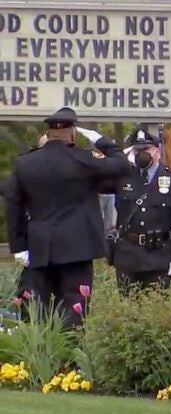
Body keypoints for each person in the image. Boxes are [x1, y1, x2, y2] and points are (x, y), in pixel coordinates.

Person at [5, 107, 131, 328]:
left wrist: (18, 246)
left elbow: (13, 203)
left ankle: (40, 359)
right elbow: (122, 166)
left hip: (41, 247)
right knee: (75, 309)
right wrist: (102, 141)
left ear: (49, 132)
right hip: (78, 248)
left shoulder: (26, 162)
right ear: (72, 132)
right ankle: (70, 361)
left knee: (38, 311)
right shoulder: (84, 160)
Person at [102, 127, 171, 293]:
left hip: (159, 256)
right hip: (128, 255)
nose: (141, 154)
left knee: (156, 311)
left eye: (146, 149)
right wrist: (110, 149)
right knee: (128, 312)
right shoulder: (123, 178)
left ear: (157, 151)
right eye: (137, 150)